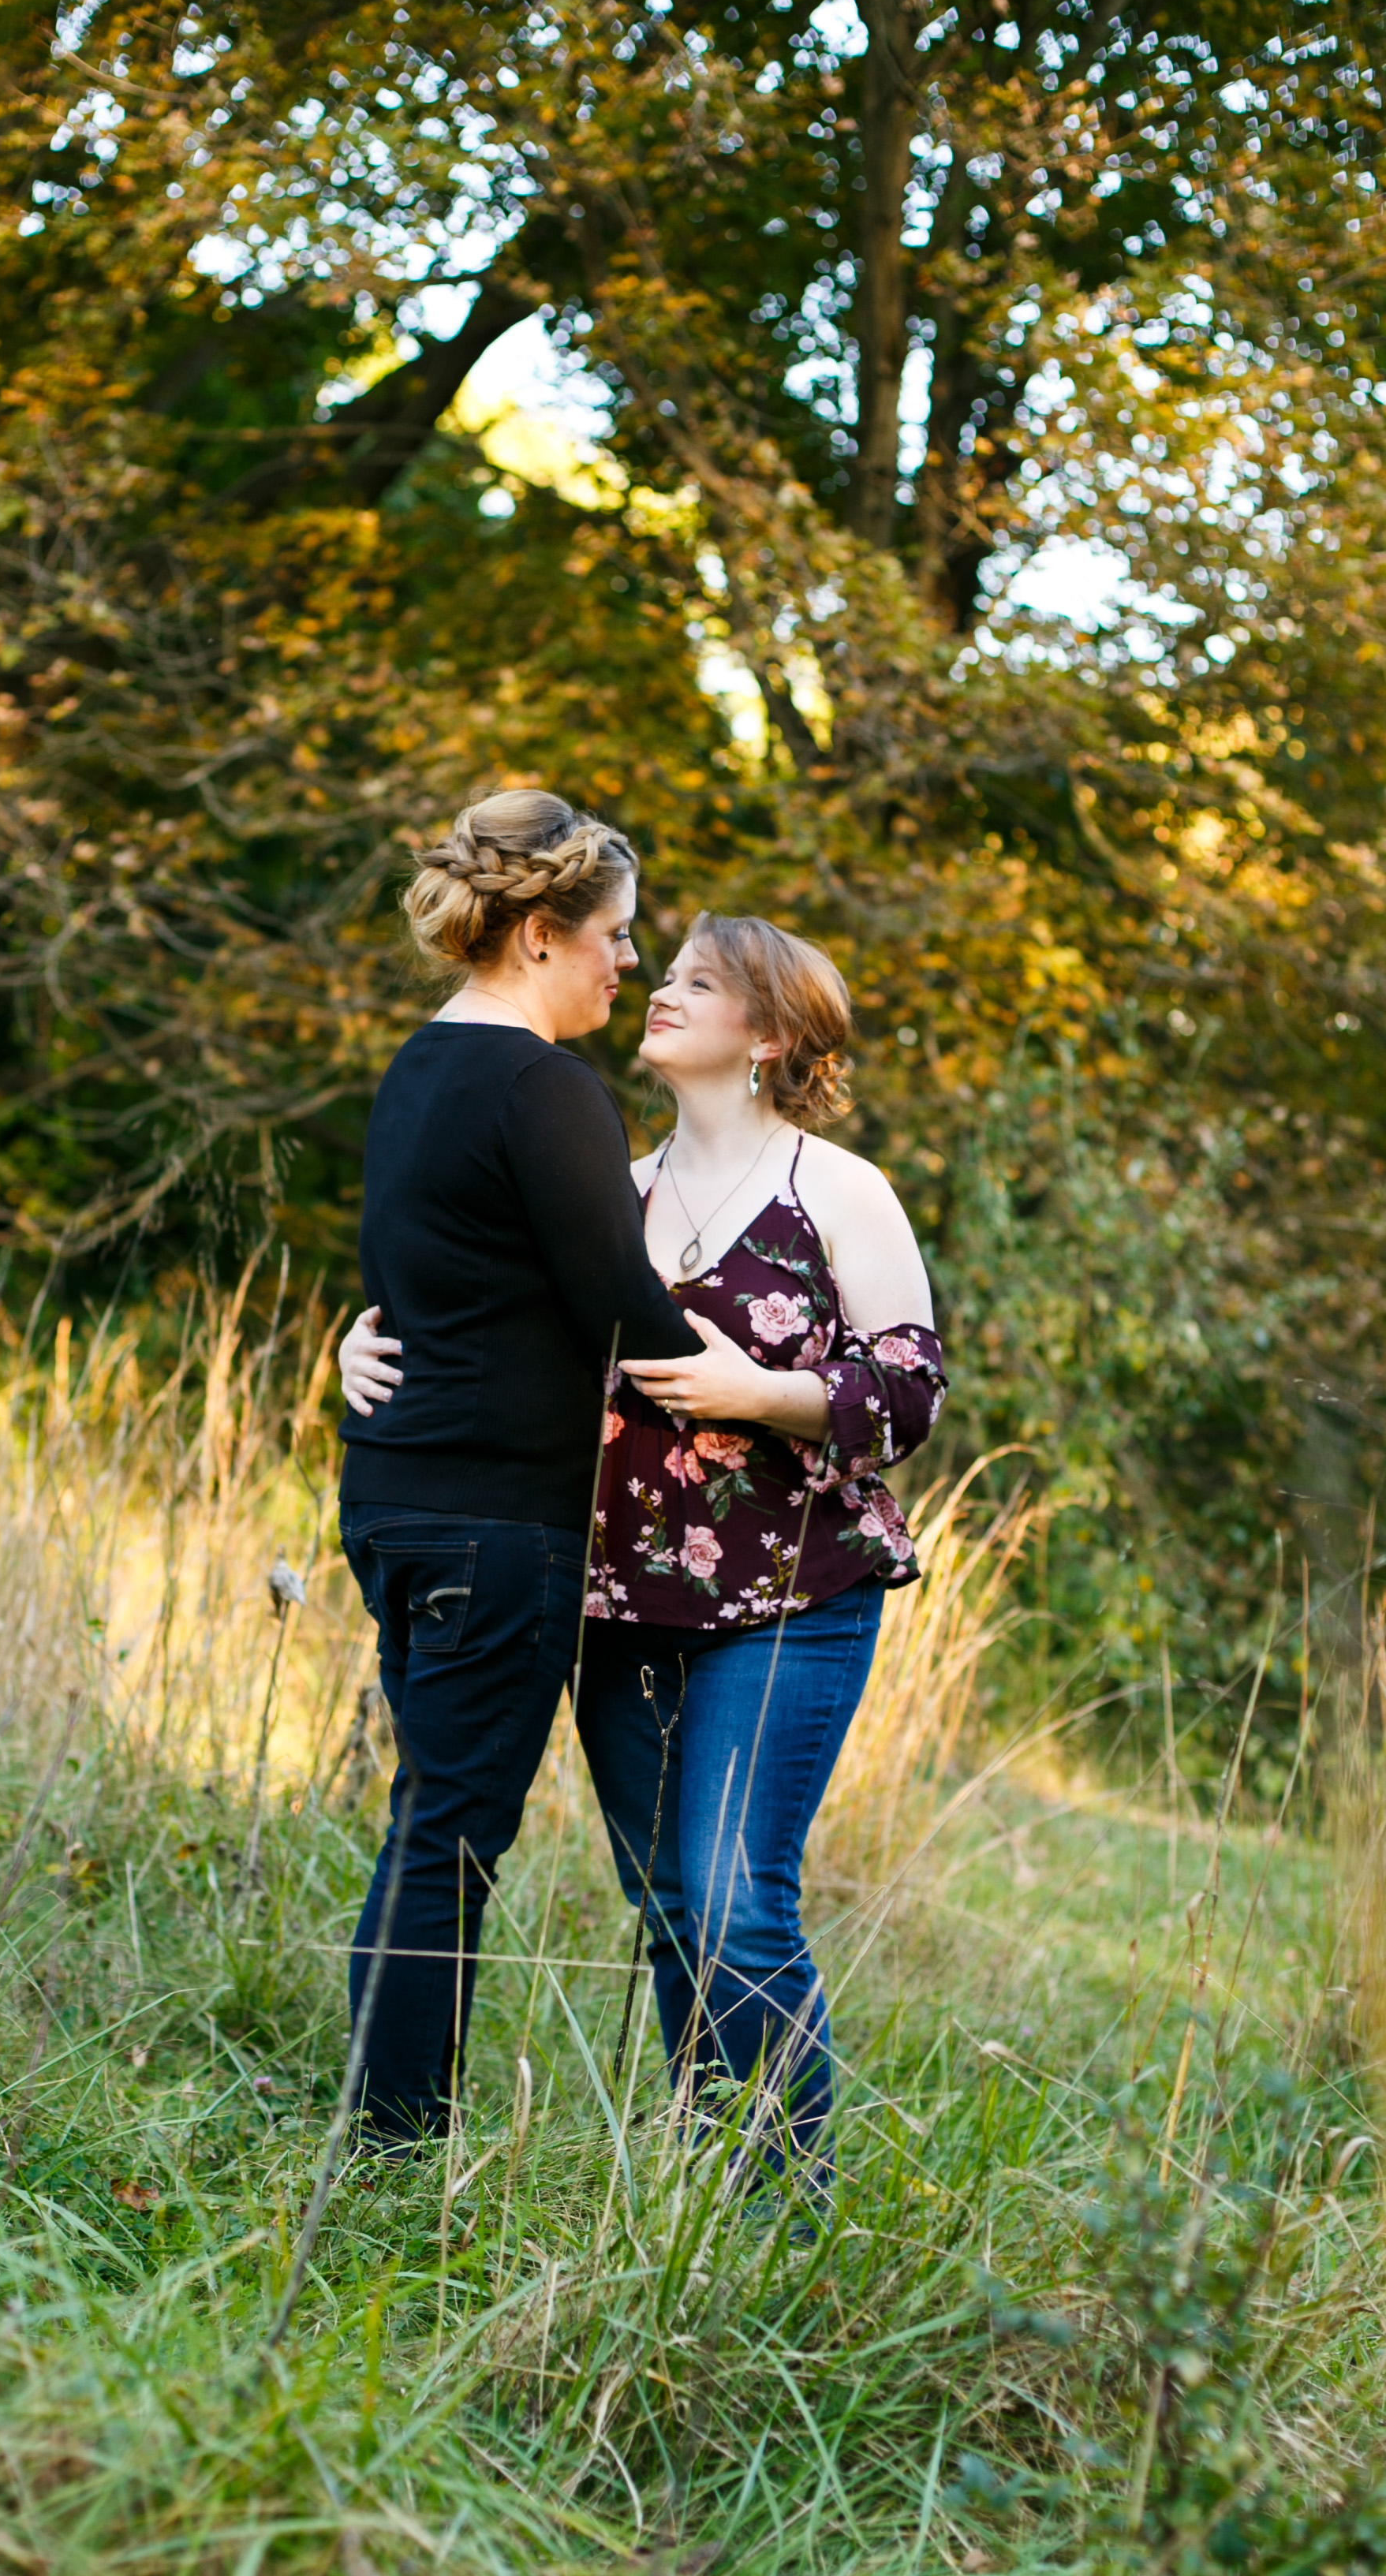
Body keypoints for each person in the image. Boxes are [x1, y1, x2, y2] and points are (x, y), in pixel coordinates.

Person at [343, 911, 946, 2178]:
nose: (657, 991)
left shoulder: (835, 1189)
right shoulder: (612, 1190)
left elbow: (907, 1390)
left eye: (699, 983)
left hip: (790, 1592)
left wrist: (764, 1395)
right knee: (671, 1913)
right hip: (619, 1602)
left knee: (733, 1900)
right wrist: (356, 1348)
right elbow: (484, 1327)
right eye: (659, 971)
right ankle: (712, 2191)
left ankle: (783, 2204)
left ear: (769, 1034)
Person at [334, 787, 706, 2149]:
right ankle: (389, 2148)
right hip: (495, 1519)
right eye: (613, 937)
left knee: (427, 1821)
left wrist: (351, 1344)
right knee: (447, 1841)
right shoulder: (546, 1086)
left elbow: (426, 1284)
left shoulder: (417, 1067)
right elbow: (619, 1302)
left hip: (395, 1495)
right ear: (540, 935)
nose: (628, 964)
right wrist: (780, 1389)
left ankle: (384, 2130)